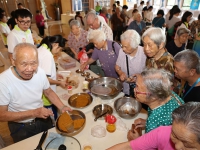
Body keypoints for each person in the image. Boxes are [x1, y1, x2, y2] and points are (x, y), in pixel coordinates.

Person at [0, 43, 71, 143]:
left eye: (34, 63)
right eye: (24, 64)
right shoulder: (3, 81)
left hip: (42, 119)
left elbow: (48, 92)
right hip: (21, 127)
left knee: (50, 144)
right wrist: (34, 113)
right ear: (13, 61)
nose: (29, 69)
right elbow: (1, 115)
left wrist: (62, 107)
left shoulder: (40, 72)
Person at [107, 102, 200, 150]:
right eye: (174, 135)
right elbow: (128, 147)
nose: (177, 147)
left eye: (187, 144)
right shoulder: (163, 133)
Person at [127, 68, 184, 137]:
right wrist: (146, 123)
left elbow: (153, 146)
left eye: (137, 87)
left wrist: (136, 141)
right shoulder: (169, 93)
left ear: (153, 96)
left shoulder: (153, 123)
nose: (134, 90)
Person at [37, 35, 68, 124]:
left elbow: (43, 71)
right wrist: (59, 82)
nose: (58, 52)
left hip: (40, 90)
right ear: (55, 45)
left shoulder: (42, 48)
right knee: (52, 116)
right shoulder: (47, 55)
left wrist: (55, 75)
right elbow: (45, 79)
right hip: (46, 95)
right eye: (60, 49)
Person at [115, 30, 146, 96]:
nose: (123, 49)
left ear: (134, 46)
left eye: (125, 46)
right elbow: (117, 66)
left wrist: (138, 78)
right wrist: (120, 73)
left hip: (140, 90)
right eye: (122, 45)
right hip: (126, 88)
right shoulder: (121, 51)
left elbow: (149, 74)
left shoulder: (144, 53)